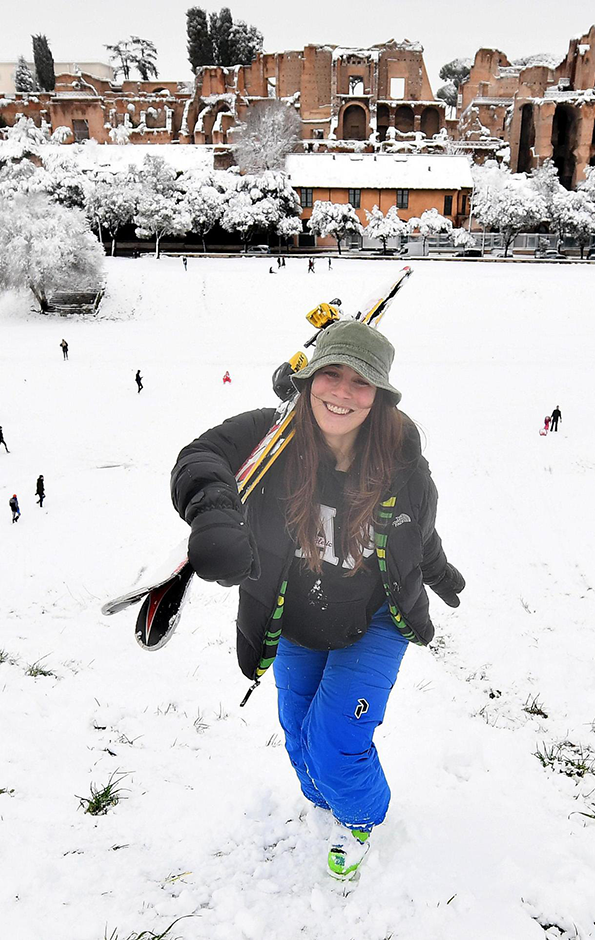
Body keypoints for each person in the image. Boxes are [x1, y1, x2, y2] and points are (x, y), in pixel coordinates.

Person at [170, 319, 463, 881]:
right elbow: (200, 455)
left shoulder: (404, 466)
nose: (342, 392)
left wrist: (440, 573)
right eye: (331, 374)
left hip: (377, 620)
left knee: (334, 743)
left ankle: (360, 817)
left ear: (380, 396)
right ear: (307, 380)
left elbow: (418, 535)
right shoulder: (269, 437)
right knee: (297, 730)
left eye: (361, 382)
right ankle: (328, 798)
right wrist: (212, 510)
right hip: (298, 621)